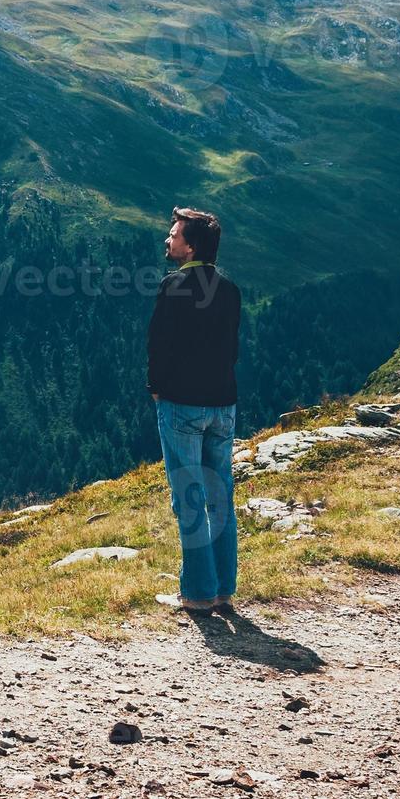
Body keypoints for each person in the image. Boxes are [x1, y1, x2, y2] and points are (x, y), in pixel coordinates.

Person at [147, 207, 242, 613]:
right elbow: (231, 347)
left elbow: (159, 345)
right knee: (220, 496)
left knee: (189, 497)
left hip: (182, 404)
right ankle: (223, 590)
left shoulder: (175, 285)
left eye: (174, 234)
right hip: (223, 403)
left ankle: (198, 594)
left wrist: (156, 388)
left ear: (192, 245)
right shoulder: (230, 288)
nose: (168, 240)